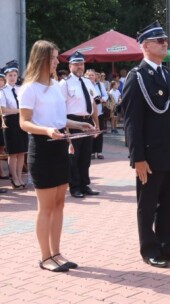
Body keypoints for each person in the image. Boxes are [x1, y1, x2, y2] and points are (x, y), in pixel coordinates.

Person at [19, 40, 94, 272]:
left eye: (56, 57)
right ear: (41, 59)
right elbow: (24, 122)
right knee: (46, 207)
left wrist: (79, 125)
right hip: (42, 148)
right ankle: (45, 257)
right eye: (52, 58)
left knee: (60, 204)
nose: (56, 62)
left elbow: (59, 120)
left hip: (60, 145)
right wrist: (47, 131)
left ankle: (57, 252)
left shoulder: (54, 85)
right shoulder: (29, 88)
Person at [123, 21, 170, 268]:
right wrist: (137, 157)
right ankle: (149, 249)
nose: (165, 44)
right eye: (160, 41)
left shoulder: (168, 74)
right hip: (150, 155)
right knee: (148, 204)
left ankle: (166, 245)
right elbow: (132, 122)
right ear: (146, 45)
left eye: (165, 40)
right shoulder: (137, 77)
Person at [59, 52, 100, 198]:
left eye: (81, 64)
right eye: (76, 64)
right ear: (70, 66)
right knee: (73, 157)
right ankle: (75, 187)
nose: (79, 67)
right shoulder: (64, 83)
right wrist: (66, 129)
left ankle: (84, 184)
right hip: (73, 121)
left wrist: (96, 123)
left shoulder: (87, 81)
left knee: (85, 156)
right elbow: (61, 107)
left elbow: (93, 103)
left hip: (87, 120)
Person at [0, 60, 29, 189]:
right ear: (5, 77)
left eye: (14, 75)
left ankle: (20, 176)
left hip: (21, 120)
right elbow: (3, 110)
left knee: (22, 151)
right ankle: (14, 178)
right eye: (10, 75)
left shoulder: (20, 89)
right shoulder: (3, 91)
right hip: (10, 121)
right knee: (13, 152)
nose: (12, 78)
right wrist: (19, 110)